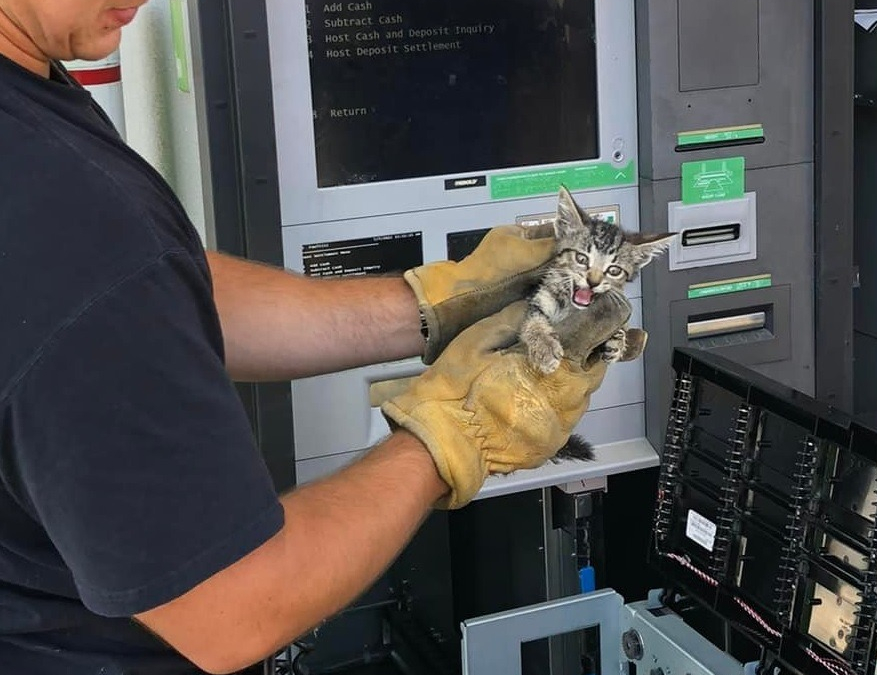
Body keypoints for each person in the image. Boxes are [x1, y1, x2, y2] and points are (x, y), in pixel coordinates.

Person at [0, 2, 634, 673]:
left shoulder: (29, 85)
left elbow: (166, 288)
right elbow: (235, 606)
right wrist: (461, 427)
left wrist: (431, 306)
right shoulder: (69, 216)